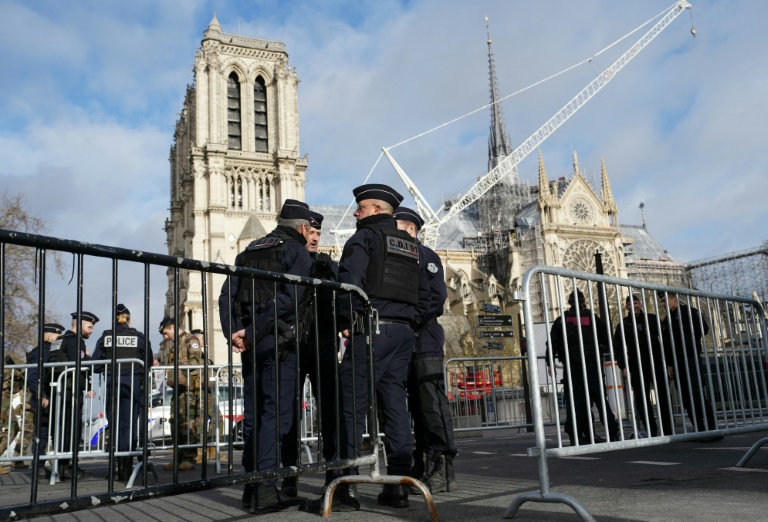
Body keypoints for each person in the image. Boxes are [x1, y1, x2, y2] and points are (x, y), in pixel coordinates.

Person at [307, 184, 421, 512]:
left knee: (350, 405)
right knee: (395, 406)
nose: (355, 213)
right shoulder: (410, 244)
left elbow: (350, 284)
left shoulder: (364, 238)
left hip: (372, 330)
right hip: (403, 333)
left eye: (359, 208)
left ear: (374, 210)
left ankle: (344, 486)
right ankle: (399, 484)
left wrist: (346, 319)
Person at [218, 199, 313, 513]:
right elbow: (292, 297)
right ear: (301, 228)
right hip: (280, 342)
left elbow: (226, 294)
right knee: (276, 416)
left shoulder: (250, 250)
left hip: (250, 344)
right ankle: (266, 491)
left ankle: (251, 487)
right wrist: (256, 329)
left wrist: (235, 330)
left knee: (255, 415)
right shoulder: (295, 251)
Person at [394, 206, 457, 494]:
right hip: (406, 338)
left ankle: (442, 468)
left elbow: (436, 298)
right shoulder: (398, 256)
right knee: (416, 408)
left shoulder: (426, 256)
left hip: (425, 337)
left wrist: (408, 319)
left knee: (432, 404)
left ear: (410, 229)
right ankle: (421, 465)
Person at [280, 209, 340, 498]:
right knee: (289, 413)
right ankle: (289, 475)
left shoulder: (327, 265)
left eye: (318, 234)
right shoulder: (287, 259)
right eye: (311, 233)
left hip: (322, 344)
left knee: (329, 409)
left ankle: (334, 474)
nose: (315, 238)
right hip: (294, 345)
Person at [548, 290, 620, 446]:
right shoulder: (592, 318)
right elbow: (608, 338)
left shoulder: (562, 320)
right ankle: (612, 433)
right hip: (592, 364)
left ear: (569, 303)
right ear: (583, 302)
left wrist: (549, 363)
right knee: (600, 400)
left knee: (576, 402)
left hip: (572, 366)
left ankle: (577, 436)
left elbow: (552, 343)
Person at [92, 304, 150, 481]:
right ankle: (126, 468)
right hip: (132, 386)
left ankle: (115, 466)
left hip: (112, 385)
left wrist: (108, 367)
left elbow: (95, 364)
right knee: (129, 426)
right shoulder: (138, 337)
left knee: (115, 425)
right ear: (129, 319)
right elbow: (148, 361)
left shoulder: (105, 338)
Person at [658, 291, 720, 440]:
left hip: (690, 357)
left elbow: (703, 329)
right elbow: (666, 344)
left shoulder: (690, 312)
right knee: (686, 398)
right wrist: (669, 364)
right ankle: (699, 430)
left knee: (697, 394)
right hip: (676, 361)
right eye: (661, 301)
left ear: (674, 299)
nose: (663, 304)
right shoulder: (666, 320)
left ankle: (712, 429)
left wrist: (685, 332)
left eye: (665, 300)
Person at [48, 311, 99, 480]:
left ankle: (62, 467)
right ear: (80, 324)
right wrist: (89, 363)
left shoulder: (59, 340)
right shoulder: (75, 341)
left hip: (59, 391)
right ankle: (69, 468)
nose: (91, 331)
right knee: (71, 431)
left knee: (61, 431)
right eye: (89, 327)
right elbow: (78, 367)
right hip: (70, 391)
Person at [613, 294, 669, 437]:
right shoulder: (623, 324)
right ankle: (651, 430)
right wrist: (623, 366)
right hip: (636, 364)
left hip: (655, 361)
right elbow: (618, 347)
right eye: (630, 304)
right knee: (641, 398)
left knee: (662, 395)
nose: (633, 306)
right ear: (626, 307)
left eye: (636, 303)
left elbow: (665, 338)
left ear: (640, 304)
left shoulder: (651, 319)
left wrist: (668, 363)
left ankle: (668, 429)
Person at [158, 317, 203, 471]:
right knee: (175, 424)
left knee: (188, 424)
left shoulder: (191, 340)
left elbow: (196, 362)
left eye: (165, 333)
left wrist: (177, 366)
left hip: (189, 389)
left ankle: (189, 459)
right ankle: (178, 458)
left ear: (172, 327)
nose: (165, 337)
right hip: (178, 389)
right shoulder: (175, 345)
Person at [27, 322, 65, 478]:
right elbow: (34, 377)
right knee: (42, 434)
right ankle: (38, 467)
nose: (60, 339)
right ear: (49, 337)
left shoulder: (52, 351)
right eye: (58, 336)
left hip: (52, 397)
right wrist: (42, 395)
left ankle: (56, 466)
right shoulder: (40, 352)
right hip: (44, 399)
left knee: (56, 433)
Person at [0, 351, 34, 475]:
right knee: (11, 428)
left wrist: (18, 375)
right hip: (3, 401)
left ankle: (17, 458)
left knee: (13, 428)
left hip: (6, 401)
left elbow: (15, 389)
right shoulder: (7, 369)